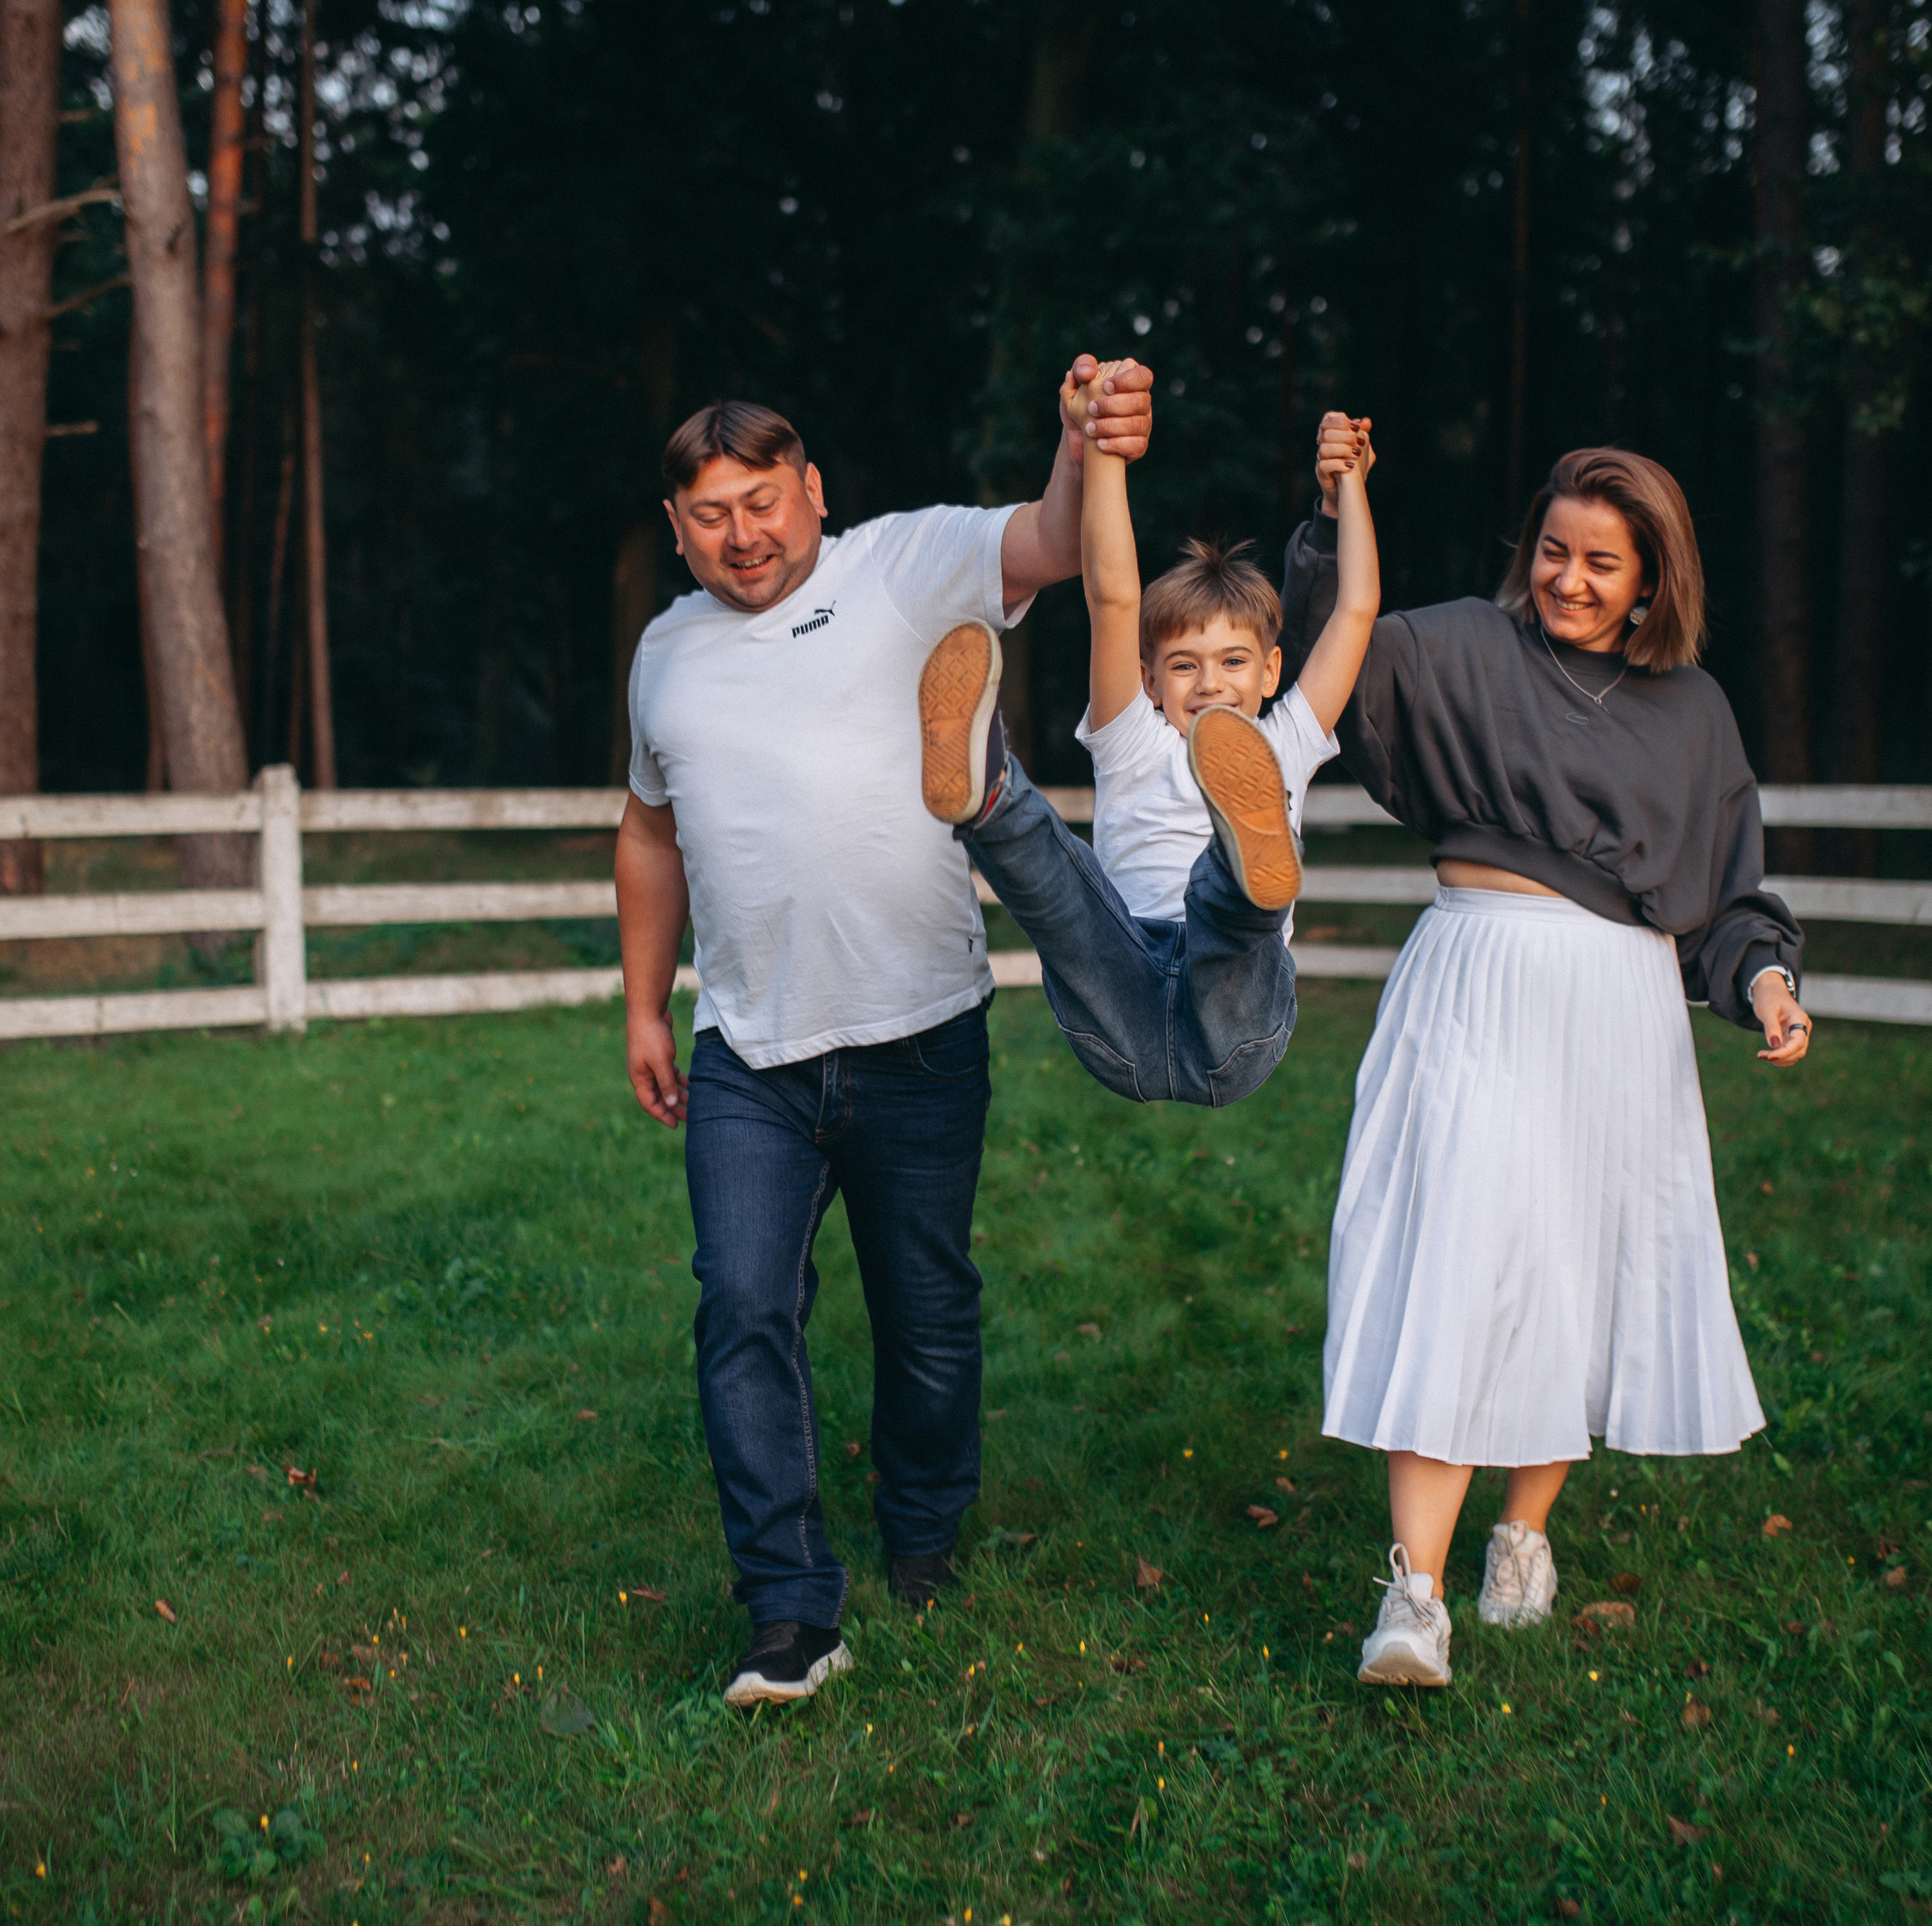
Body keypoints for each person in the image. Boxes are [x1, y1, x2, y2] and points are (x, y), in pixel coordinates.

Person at [614, 361, 1154, 1708]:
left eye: (761, 501)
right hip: (751, 1048)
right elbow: (648, 830)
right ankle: (791, 1610)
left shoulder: (907, 563)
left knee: (926, 1317)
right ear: (678, 530)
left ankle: (924, 1538)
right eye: (709, 514)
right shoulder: (665, 654)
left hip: (921, 1033)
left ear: (812, 492)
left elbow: (1046, 534)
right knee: (743, 1306)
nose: (742, 534)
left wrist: (1080, 439)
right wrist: (640, 1004)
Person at [1276, 427, 1811, 1688]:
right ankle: (1414, 1599)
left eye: (1603, 563)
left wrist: (1769, 981)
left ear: (1652, 578)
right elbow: (1327, 659)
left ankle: (1521, 1536)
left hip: (1617, 1008)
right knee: (1451, 1266)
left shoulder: (1694, 715)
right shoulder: (1456, 644)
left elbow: (1728, 896)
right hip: (1473, 980)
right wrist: (1335, 507)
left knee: (1579, 1269)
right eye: (1556, 551)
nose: (1570, 579)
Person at [913, 376, 1380, 1106]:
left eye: (1233, 663)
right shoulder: (1131, 735)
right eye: (1183, 666)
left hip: (1232, 1021)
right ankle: (987, 788)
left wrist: (1347, 487)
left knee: (1229, 913)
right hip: (1119, 998)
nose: (1210, 684)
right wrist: (1104, 449)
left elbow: (1356, 610)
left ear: (1271, 671)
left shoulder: (1284, 739)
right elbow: (1113, 595)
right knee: (1066, 897)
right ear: (1148, 680)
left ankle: (1243, 852)